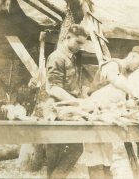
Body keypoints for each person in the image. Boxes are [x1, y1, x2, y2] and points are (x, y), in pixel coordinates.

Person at [79, 45, 139, 179]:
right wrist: (135, 93)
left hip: (108, 120)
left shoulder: (125, 77)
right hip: (95, 116)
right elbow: (114, 80)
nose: (137, 68)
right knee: (95, 158)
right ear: (132, 56)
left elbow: (119, 101)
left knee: (107, 159)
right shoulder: (112, 65)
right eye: (138, 64)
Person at [44, 24, 87, 178]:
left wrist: (83, 98)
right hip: (56, 110)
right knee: (54, 154)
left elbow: (72, 86)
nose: (81, 47)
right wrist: (77, 103)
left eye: (83, 43)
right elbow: (54, 88)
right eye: (78, 42)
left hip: (68, 109)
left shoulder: (72, 57)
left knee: (77, 147)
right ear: (68, 37)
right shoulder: (57, 57)